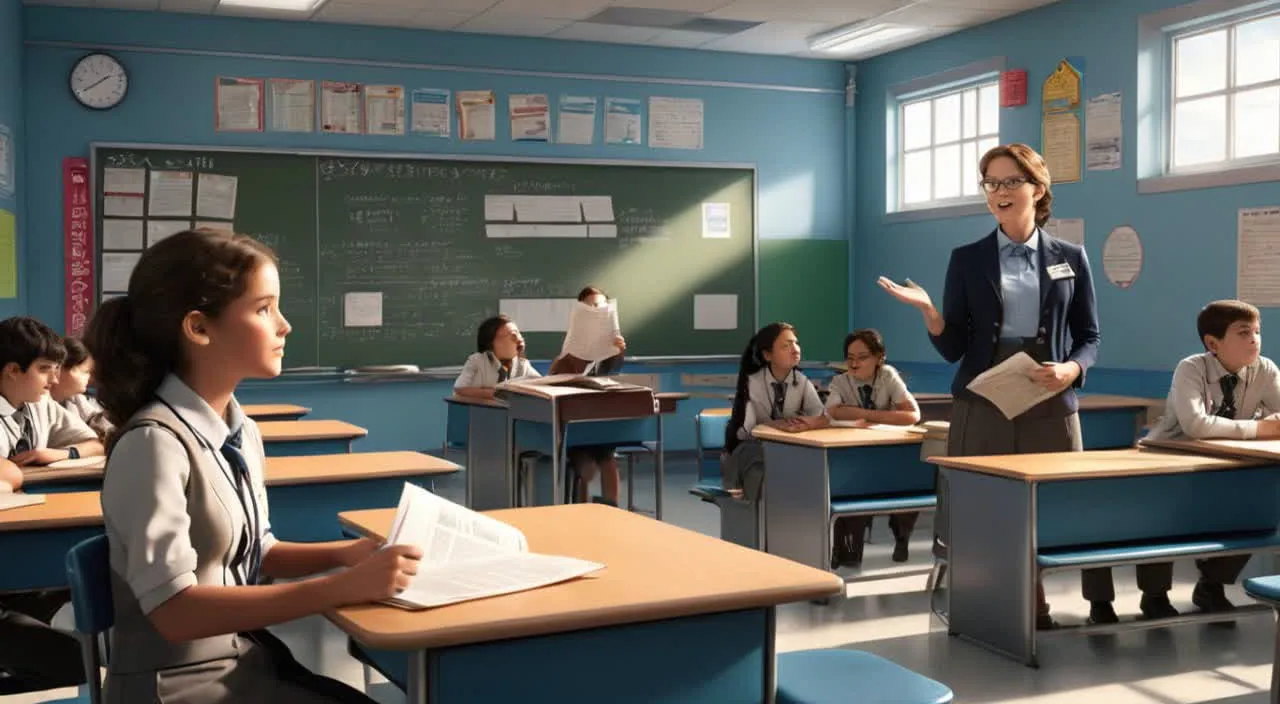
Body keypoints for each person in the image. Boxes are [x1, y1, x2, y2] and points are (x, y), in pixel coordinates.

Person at [85, 229, 421, 703]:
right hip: (176, 686)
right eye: (264, 309)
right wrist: (340, 588)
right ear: (199, 328)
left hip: (243, 658)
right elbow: (175, 611)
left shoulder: (238, 429)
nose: (284, 326)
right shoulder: (152, 444)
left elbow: (255, 550)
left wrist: (342, 555)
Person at [878, 143, 1100, 628]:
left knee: (1050, 506)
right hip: (983, 400)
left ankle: (1033, 595)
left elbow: (1089, 337)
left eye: (1009, 182)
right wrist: (930, 313)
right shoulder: (967, 258)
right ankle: (1000, 601)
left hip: (1050, 398)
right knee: (981, 507)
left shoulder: (1072, 257)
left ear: (1036, 189)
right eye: (990, 183)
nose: (998, 192)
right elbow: (953, 346)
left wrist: (1072, 370)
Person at [1137, 299, 1280, 618]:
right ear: (1212, 343)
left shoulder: (1265, 369)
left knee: (1255, 514)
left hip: (1225, 461)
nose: (1254, 339)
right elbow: (1195, 424)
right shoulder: (1191, 368)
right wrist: (1259, 428)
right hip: (1169, 458)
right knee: (1162, 522)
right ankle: (1155, 595)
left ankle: (1211, 584)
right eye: (1243, 332)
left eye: (1257, 331)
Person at [825, 328, 922, 567]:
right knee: (851, 485)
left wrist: (866, 415)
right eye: (850, 358)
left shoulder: (888, 375)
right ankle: (845, 552)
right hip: (855, 454)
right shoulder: (839, 381)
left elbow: (912, 414)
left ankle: (901, 538)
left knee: (907, 481)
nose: (855, 364)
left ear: (880, 357)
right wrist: (886, 415)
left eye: (862, 357)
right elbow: (833, 411)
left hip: (889, 453)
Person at [721, 322, 828, 503]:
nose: (795, 350)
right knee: (764, 469)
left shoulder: (801, 381)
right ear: (767, 355)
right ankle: (761, 514)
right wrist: (773, 425)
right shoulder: (752, 382)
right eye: (786, 346)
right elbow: (745, 430)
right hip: (751, 449)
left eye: (796, 343)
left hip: (785, 450)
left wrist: (807, 423)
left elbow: (819, 416)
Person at [550, 286, 627, 505]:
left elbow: (614, 377)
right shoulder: (566, 357)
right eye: (591, 306)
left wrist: (618, 351)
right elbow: (552, 384)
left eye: (601, 306)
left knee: (608, 458)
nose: (596, 310)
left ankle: (612, 509)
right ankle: (581, 508)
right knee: (587, 467)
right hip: (574, 426)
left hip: (600, 423)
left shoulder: (610, 355)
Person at [454, 314, 539, 400]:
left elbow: (541, 384)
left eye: (519, 334)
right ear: (492, 343)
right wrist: (498, 394)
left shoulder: (523, 365)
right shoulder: (477, 361)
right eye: (512, 335)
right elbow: (459, 388)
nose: (519, 339)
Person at [51, 336, 113, 441]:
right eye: (86, 371)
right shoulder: (41, 405)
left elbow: (102, 428)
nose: (90, 378)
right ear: (62, 368)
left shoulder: (75, 400)